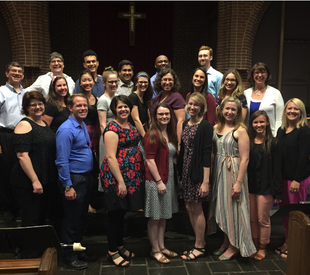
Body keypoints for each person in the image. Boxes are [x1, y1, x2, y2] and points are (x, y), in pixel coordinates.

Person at [208, 97, 256, 260]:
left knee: (234, 209)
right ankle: (225, 241)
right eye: (226, 109)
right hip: (219, 173)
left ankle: (235, 245)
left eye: (233, 109)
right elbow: (214, 153)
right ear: (221, 110)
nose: (229, 112)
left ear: (238, 112)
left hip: (234, 172)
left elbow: (245, 159)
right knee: (223, 209)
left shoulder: (241, 130)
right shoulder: (216, 128)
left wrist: (238, 183)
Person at [100, 95, 145, 267]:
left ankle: (119, 245)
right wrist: (120, 182)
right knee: (115, 213)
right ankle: (112, 251)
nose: (123, 110)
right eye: (119, 107)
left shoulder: (130, 125)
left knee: (122, 212)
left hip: (131, 175)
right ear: (114, 109)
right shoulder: (112, 128)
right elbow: (111, 157)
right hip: (116, 177)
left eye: (126, 107)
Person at [55, 94, 94, 270]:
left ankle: (77, 249)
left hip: (85, 177)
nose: (83, 108)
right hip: (74, 179)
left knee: (81, 217)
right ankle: (68, 256)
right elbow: (62, 160)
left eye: (85, 105)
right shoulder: (66, 129)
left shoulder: (81, 124)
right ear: (70, 108)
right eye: (79, 106)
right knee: (72, 219)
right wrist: (68, 186)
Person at [11, 91, 56, 227]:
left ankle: (39, 248)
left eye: (40, 104)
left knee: (40, 218)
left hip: (43, 178)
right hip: (28, 181)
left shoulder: (43, 123)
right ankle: (28, 248)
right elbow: (22, 156)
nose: (37, 107)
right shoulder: (24, 125)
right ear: (26, 107)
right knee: (31, 219)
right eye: (33, 105)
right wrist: (35, 181)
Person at [178, 92, 213, 260]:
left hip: (198, 172)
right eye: (190, 104)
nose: (192, 107)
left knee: (197, 208)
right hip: (186, 171)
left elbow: (207, 154)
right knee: (189, 207)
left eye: (196, 105)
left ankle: (199, 246)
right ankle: (200, 242)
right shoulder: (185, 123)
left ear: (202, 108)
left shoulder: (205, 126)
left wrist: (205, 182)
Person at [144, 103, 179, 264]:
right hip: (155, 180)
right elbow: (149, 160)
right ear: (155, 116)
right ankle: (155, 250)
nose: (164, 117)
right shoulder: (153, 134)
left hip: (167, 178)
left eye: (166, 114)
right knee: (155, 217)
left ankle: (162, 246)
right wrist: (159, 181)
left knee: (163, 216)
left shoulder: (169, 133)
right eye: (160, 114)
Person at [275, 98, 310, 259]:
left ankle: (296, 244)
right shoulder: (281, 130)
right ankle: (288, 241)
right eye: (289, 109)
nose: (292, 111)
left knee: (296, 215)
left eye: (296, 109)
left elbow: (304, 157)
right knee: (285, 213)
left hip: (297, 180)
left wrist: (296, 179)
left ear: (301, 112)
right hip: (284, 178)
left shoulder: (303, 130)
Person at [247, 110, 282, 260]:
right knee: (252, 218)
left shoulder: (273, 143)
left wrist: (277, 191)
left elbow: (277, 168)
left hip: (266, 187)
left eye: (262, 122)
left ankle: (263, 247)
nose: (259, 125)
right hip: (250, 186)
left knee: (263, 219)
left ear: (267, 123)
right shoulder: (248, 141)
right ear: (252, 124)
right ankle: (254, 245)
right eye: (255, 122)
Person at [0, 61, 26, 222]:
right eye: (13, 71)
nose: (17, 74)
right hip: (6, 136)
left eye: (19, 72)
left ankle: (19, 207)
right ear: (7, 73)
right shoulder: (1, 92)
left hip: (23, 135)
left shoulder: (27, 92)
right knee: (6, 174)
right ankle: (6, 209)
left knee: (21, 173)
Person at [79, 69, 100, 213]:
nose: (87, 83)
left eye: (89, 80)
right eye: (84, 80)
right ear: (80, 83)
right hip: (82, 133)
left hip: (96, 135)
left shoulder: (98, 99)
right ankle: (85, 203)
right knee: (84, 168)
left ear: (94, 82)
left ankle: (92, 200)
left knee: (94, 170)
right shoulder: (78, 99)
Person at [244, 62, 284, 136]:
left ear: (267, 75)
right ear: (252, 75)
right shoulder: (246, 93)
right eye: (256, 72)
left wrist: (276, 136)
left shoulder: (275, 93)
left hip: (269, 136)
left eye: (263, 72)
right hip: (249, 136)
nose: (260, 75)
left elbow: (280, 118)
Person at [151, 68, 185, 146]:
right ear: (160, 81)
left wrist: (179, 143)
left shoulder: (177, 97)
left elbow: (181, 121)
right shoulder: (157, 98)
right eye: (164, 79)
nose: (167, 82)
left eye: (170, 80)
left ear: (174, 82)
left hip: (170, 138)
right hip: (157, 136)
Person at [97, 67, 118, 190]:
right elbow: (102, 124)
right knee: (109, 164)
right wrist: (108, 140)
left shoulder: (117, 97)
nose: (114, 84)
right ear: (104, 83)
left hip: (118, 135)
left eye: (115, 81)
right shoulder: (103, 100)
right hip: (108, 137)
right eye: (111, 82)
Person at [128, 71, 153, 137]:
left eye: (145, 82)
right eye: (141, 82)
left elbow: (149, 119)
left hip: (144, 130)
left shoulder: (145, 98)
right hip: (135, 132)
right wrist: (145, 137)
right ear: (136, 83)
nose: (143, 84)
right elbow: (136, 120)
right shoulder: (133, 97)